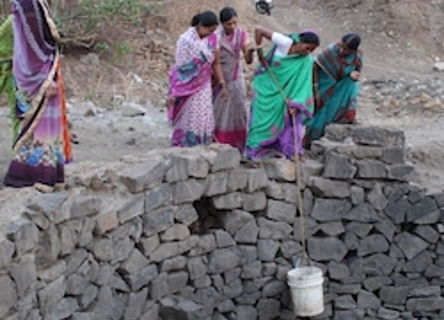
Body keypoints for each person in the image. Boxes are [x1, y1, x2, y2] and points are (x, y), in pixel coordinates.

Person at [3, 0, 72, 191]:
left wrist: (44, 75)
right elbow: (33, 42)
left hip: (41, 72)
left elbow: (37, 41)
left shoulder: (31, 3)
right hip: (38, 73)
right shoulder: (29, 3)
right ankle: (42, 175)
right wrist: (44, 77)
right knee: (37, 126)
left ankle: (45, 175)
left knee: (42, 126)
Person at [246, 26, 320, 161]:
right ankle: (254, 152)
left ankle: (290, 152)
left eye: (312, 50)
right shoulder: (285, 42)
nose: (308, 52)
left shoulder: (306, 60)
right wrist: (260, 53)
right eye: (307, 48)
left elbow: (302, 84)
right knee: (260, 121)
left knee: (290, 120)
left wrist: (295, 102)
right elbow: (259, 30)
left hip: (286, 93)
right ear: (300, 42)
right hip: (266, 86)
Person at [168, 11, 227, 147]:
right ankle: (184, 146)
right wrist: (173, 92)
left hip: (204, 85)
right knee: (189, 116)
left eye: (213, 30)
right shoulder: (185, 41)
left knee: (204, 117)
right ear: (200, 25)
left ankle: (202, 146)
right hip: (185, 87)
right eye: (208, 30)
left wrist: (222, 84)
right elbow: (180, 68)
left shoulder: (213, 38)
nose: (210, 33)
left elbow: (215, 63)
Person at [305, 33, 363, 147]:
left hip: (340, 89)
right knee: (319, 112)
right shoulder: (331, 51)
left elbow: (357, 72)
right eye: (342, 46)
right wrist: (315, 89)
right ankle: (310, 140)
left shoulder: (357, 57)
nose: (343, 50)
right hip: (324, 85)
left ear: (353, 50)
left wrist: (353, 75)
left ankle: (329, 135)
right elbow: (314, 67)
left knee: (351, 85)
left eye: (347, 50)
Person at [213, 7, 253, 153]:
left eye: (235, 23)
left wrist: (250, 52)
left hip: (236, 78)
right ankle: (218, 141)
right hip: (219, 77)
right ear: (222, 24)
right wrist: (221, 83)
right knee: (220, 111)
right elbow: (215, 63)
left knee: (239, 109)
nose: (233, 26)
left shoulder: (241, 34)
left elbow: (248, 59)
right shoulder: (216, 36)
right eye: (229, 24)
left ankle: (238, 144)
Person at [0, 15, 20, 147]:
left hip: (14, 68)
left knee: (18, 110)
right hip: (5, 65)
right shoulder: (14, 20)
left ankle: (18, 148)